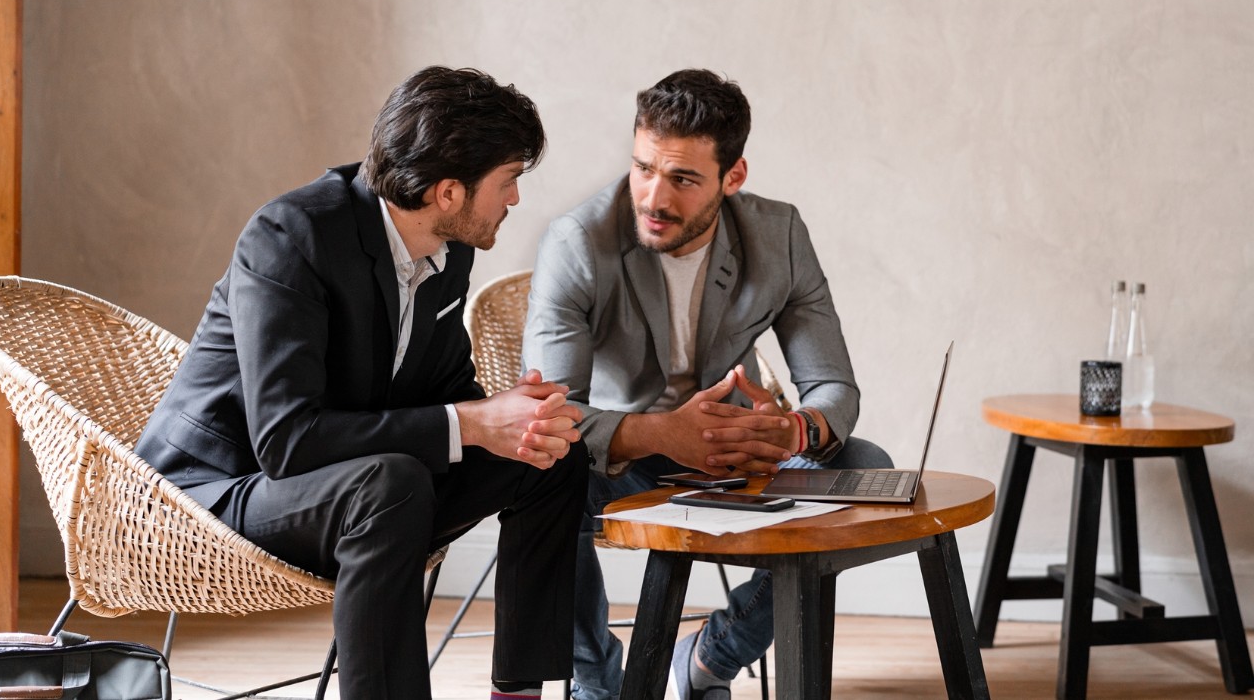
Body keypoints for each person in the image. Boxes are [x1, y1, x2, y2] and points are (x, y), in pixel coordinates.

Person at [135, 66, 587, 700]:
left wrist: (511, 417)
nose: (514, 199)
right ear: (449, 192)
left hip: (355, 488)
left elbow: (444, 385)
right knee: (392, 483)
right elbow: (287, 443)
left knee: (550, 456)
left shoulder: (452, 246)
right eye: (509, 181)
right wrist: (476, 423)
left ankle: (518, 693)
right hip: (218, 492)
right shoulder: (292, 236)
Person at [522, 68, 892, 700]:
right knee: (541, 476)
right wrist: (663, 433)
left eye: (683, 179)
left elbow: (833, 386)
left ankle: (712, 658)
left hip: (733, 457)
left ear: (733, 177)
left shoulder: (779, 236)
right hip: (621, 459)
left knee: (866, 468)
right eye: (643, 168)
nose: (653, 197)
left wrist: (795, 428)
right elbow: (552, 414)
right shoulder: (578, 242)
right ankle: (598, 682)